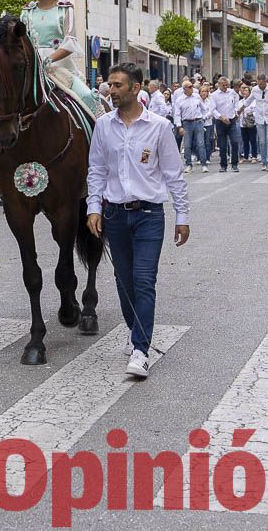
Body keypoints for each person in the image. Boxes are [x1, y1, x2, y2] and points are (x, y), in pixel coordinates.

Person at [86, 63, 189, 380]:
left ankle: (141, 349)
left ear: (136, 88)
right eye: (110, 85)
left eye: (118, 86)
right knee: (124, 281)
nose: (111, 91)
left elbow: (174, 174)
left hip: (148, 216)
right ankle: (137, 330)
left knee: (144, 280)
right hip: (115, 215)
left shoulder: (158, 126)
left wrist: (182, 216)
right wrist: (94, 207)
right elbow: (97, 170)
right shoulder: (103, 125)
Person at [20, 0, 101, 116]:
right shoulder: (26, 11)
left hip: (59, 67)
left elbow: (70, 41)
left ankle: (98, 132)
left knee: (88, 98)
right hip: (30, 68)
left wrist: (49, 60)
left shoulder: (64, 9)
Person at [172, 80, 208, 173]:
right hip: (187, 123)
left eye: (192, 86)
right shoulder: (180, 100)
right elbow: (177, 114)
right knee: (187, 145)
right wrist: (179, 126)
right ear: (185, 89)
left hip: (198, 121)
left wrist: (203, 118)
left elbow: (204, 108)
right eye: (190, 87)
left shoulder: (196, 97)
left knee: (201, 144)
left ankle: (204, 164)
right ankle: (188, 164)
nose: (192, 88)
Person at [211, 76, 241, 173]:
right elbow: (212, 109)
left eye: (226, 85)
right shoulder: (214, 95)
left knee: (235, 142)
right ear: (219, 85)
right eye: (223, 85)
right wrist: (221, 117)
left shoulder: (232, 93)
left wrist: (236, 111)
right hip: (220, 121)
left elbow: (236, 103)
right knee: (223, 145)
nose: (225, 87)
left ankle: (235, 164)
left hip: (231, 120)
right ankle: (223, 165)